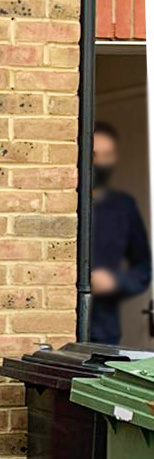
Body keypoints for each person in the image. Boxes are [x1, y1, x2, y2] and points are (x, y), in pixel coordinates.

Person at [90, 120, 152, 345]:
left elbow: (143, 268)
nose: (100, 162)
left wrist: (115, 281)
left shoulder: (123, 207)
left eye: (107, 155)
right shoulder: (63, 201)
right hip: (56, 326)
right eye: (94, 154)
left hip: (104, 332)